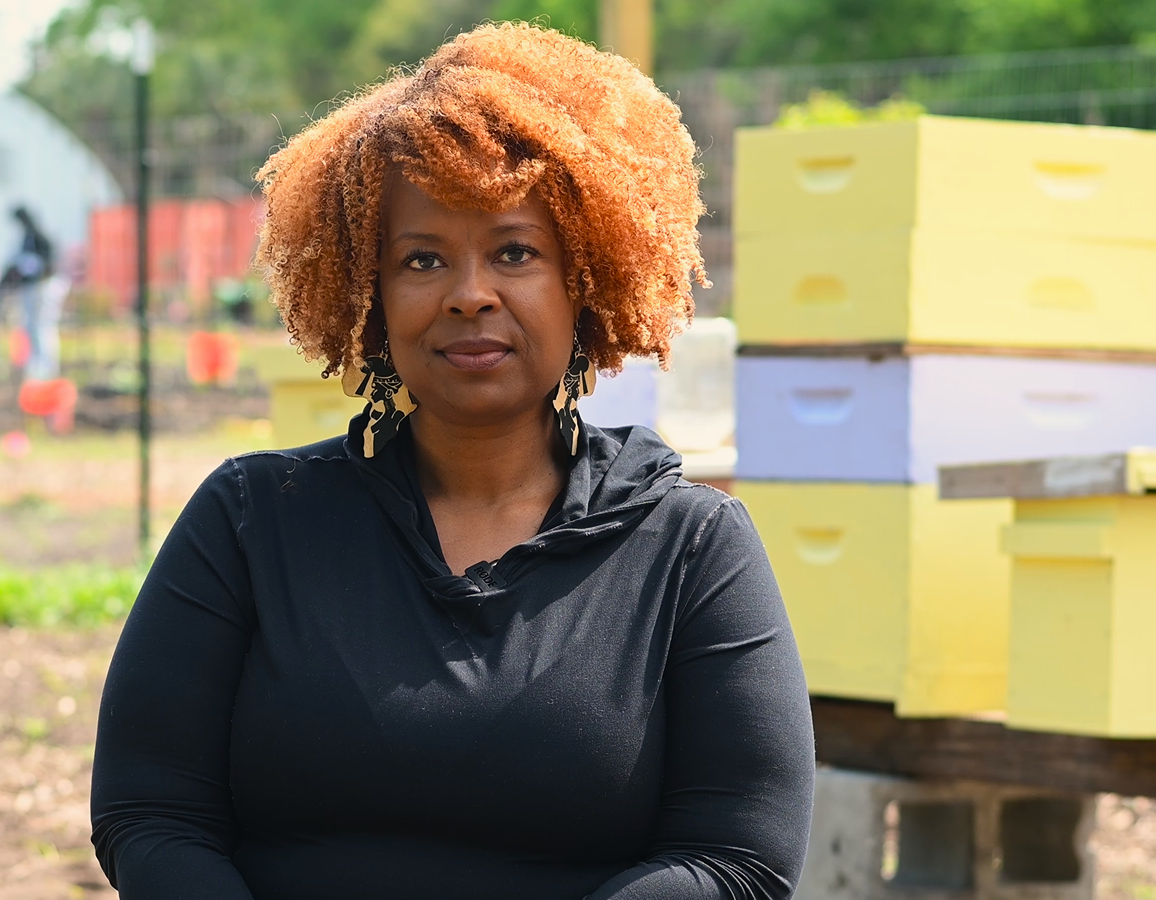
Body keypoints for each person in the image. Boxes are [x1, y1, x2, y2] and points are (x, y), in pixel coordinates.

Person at [90, 22, 815, 900]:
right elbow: (151, 811)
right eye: (422, 259)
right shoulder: (250, 520)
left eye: (515, 252)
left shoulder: (690, 548)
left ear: (583, 281)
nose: (470, 294)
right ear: (371, 296)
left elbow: (739, 857)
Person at [2, 205, 67, 380]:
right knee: (30, 327)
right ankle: (36, 366)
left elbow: (47, 264)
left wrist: (35, 276)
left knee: (42, 327)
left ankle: (46, 369)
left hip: (44, 288)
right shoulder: (27, 238)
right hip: (32, 289)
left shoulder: (40, 236)